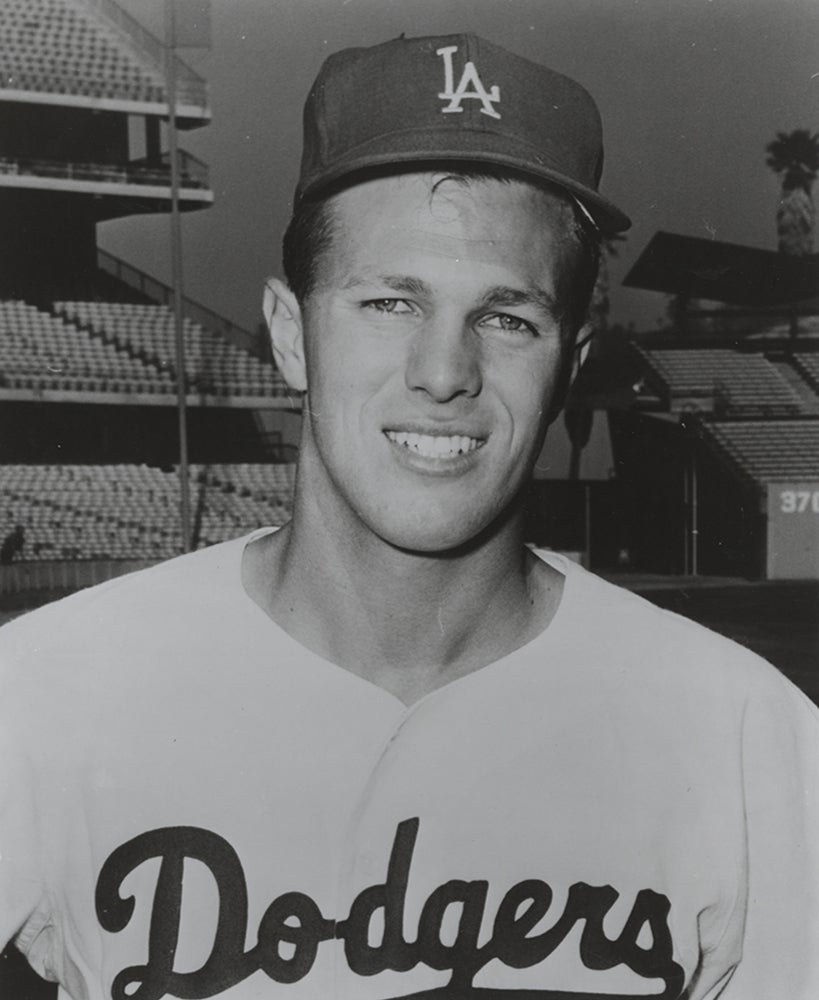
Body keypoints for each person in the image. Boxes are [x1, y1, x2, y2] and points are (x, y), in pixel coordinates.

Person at [1, 32, 817, 1000]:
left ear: (574, 358)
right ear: (293, 334)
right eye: (389, 302)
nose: (443, 372)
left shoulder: (741, 730)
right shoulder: (48, 693)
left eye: (508, 318)